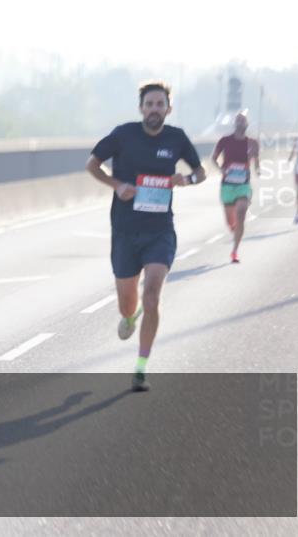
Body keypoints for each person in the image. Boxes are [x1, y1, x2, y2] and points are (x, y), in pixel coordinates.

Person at [85, 81, 206, 391]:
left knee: (152, 296)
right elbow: (92, 164)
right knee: (128, 304)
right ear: (141, 108)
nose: (154, 109)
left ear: (168, 108)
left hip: (160, 231)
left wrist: (186, 179)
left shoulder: (176, 138)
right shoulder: (123, 134)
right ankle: (130, 315)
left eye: (160, 104)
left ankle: (140, 367)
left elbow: (200, 172)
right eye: (149, 104)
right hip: (125, 230)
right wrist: (117, 186)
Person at [211, 112, 260, 262]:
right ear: (234, 124)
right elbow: (213, 159)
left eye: (243, 121)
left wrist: (258, 169)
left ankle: (235, 251)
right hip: (227, 185)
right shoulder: (225, 140)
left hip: (243, 185)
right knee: (231, 222)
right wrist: (221, 169)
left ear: (247, 124)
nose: (240, 124)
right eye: (238, 121)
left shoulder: (252, 143)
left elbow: (256, 161)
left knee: (241, 213)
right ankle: (235, 231)